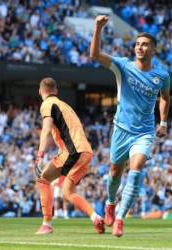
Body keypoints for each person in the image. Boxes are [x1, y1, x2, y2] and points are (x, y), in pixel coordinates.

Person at [90, 15, 170, 237]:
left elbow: (165, 97)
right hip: (121, 130)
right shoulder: (123, 66)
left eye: (144, 44)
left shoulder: (162, 75)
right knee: (115, 172)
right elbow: (94, 55)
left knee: (135, 172)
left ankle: (120, 219)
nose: (140, 47)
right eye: (137, 44)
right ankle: (110, 202)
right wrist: (97, 27)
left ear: (153, 49)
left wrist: (163, 122)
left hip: (144, 133)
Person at [34, 77, 104, 235]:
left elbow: (46, 129)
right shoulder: (65, 105)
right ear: (56, 91)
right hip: (86, 152)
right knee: (68, 192)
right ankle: (95, 217)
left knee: (43, 180)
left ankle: (46, 224)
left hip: (72, 151)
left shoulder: (47, 104)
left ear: (40, 91)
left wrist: (40, 155)